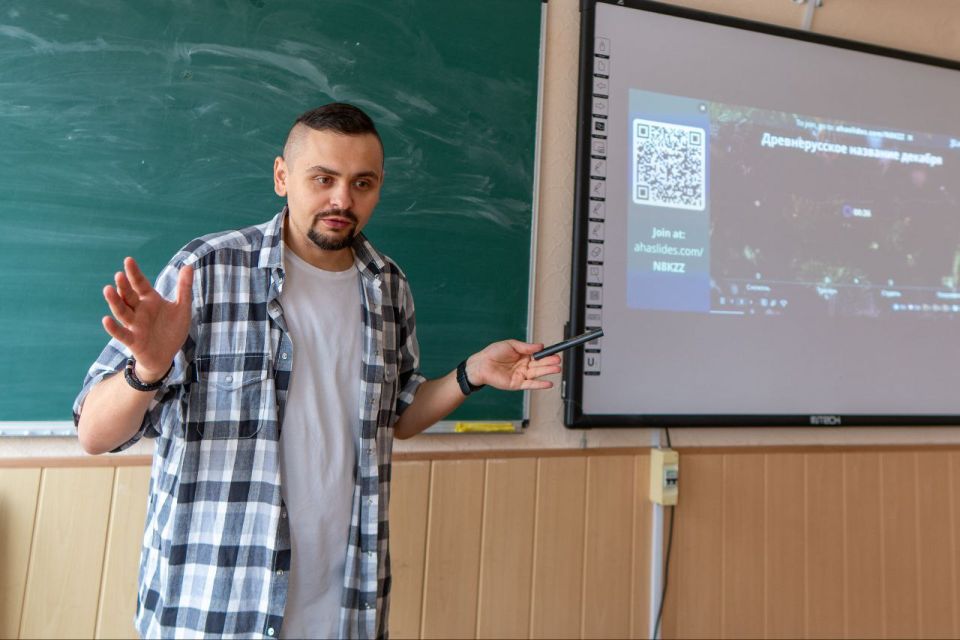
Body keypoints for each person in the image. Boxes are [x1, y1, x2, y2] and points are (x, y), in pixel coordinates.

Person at [74, 103, 560, 639]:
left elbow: (397, 415)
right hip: (215, 608)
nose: (342, 200)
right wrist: (148, 367)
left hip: (346, 609)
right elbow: (94, 434)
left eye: (362, 183)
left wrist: (472, 373)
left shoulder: (388, 286)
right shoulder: (207, 271)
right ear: (282, 177)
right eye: (323, 179)